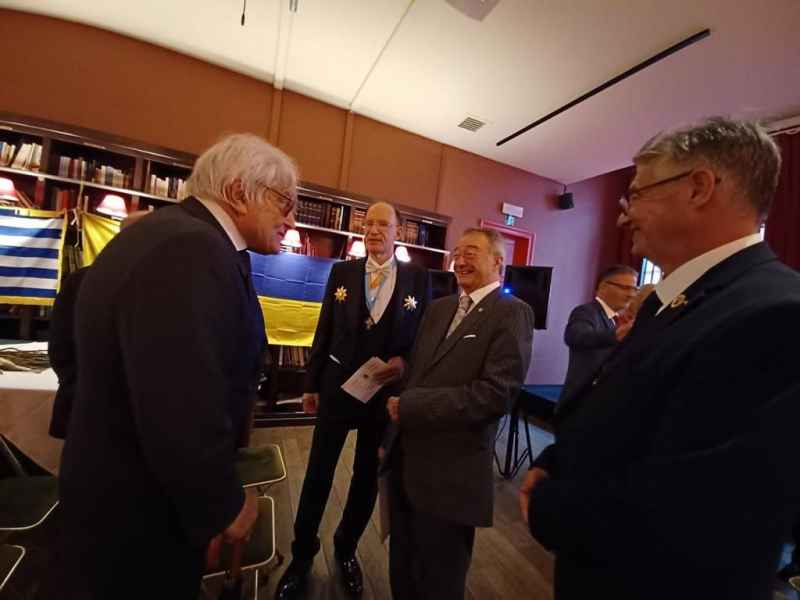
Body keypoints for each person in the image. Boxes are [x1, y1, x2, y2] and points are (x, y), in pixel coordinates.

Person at [519, 117, 800, 600]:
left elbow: (700, 511)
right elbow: (617, 409)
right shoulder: (671, 301)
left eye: (638, 193)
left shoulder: (778, 312)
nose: (623, 216)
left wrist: (547, 505)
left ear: (699, 188)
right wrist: (554, 459)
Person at [50, 134, 298, 599]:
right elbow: (179, 401)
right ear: (239, 191)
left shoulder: (173, 235)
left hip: (124, 496)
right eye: (284, 201)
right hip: (138, 513)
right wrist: (222, 503)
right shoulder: (192, 248)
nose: (291, 219)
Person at [275, 202, 430, 599]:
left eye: (383, 224)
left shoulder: (418, 278)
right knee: (318, 472)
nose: (374, 230)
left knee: (366, 478)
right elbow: (324, 326)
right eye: (369, 223)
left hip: (384, 396)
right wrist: (310, 383)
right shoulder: (342, 272)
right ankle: (302, 555)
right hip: (337, 389)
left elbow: (422, 338)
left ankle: (346, 549)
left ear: (398, 232)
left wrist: (404, 363)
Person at [384, 227, 534, 600]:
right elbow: (417, 375)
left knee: (439, 579)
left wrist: (412, 407)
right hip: (405, 463)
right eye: (457, 252)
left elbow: (495, 395)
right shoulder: (440, 308)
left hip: (452, 475)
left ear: (498, 262)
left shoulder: (512, 313)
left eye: (471, 252)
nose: (460, 260)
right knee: (402, 567)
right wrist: (391, 439)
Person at [48, 210, 150, 439]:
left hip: (132, 416)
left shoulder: (160, 282)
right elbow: (61, 348)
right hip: (88, 407)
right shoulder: (82, 280)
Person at [558, 264, 638, 414]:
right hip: (581, 403)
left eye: (634, 289)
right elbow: (575, 336)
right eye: (625, 288)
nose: (631, 295)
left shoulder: (618, 320)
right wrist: (616, 335)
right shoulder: (586, 312)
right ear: (603, 287)